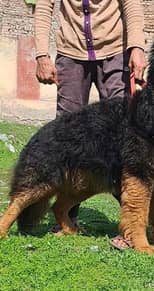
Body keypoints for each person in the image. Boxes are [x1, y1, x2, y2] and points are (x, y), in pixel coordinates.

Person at [34, 0, 146, 246]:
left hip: (115, 54)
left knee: (123, 139)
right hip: (71, 55)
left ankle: (130, 226)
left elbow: (132, 5)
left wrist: (137, 47)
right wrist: (42, 54)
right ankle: (65, 217)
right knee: (66, 138)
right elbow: (43, 6)